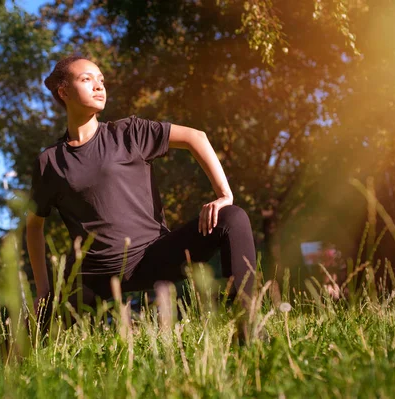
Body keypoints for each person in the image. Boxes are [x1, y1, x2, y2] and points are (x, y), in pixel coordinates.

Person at [26, 55, 256, 341]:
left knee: (232, 217)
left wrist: (224, 195)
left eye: (101, 80)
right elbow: (34, 225)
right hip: (95, 274)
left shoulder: (128, 133)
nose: (99, 87)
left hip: (153, 256)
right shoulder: (50, 162)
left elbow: (196, 137)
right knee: (24, 342)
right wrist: (44, 291)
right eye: (87, 79)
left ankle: (247, 332)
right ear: (64, 91)